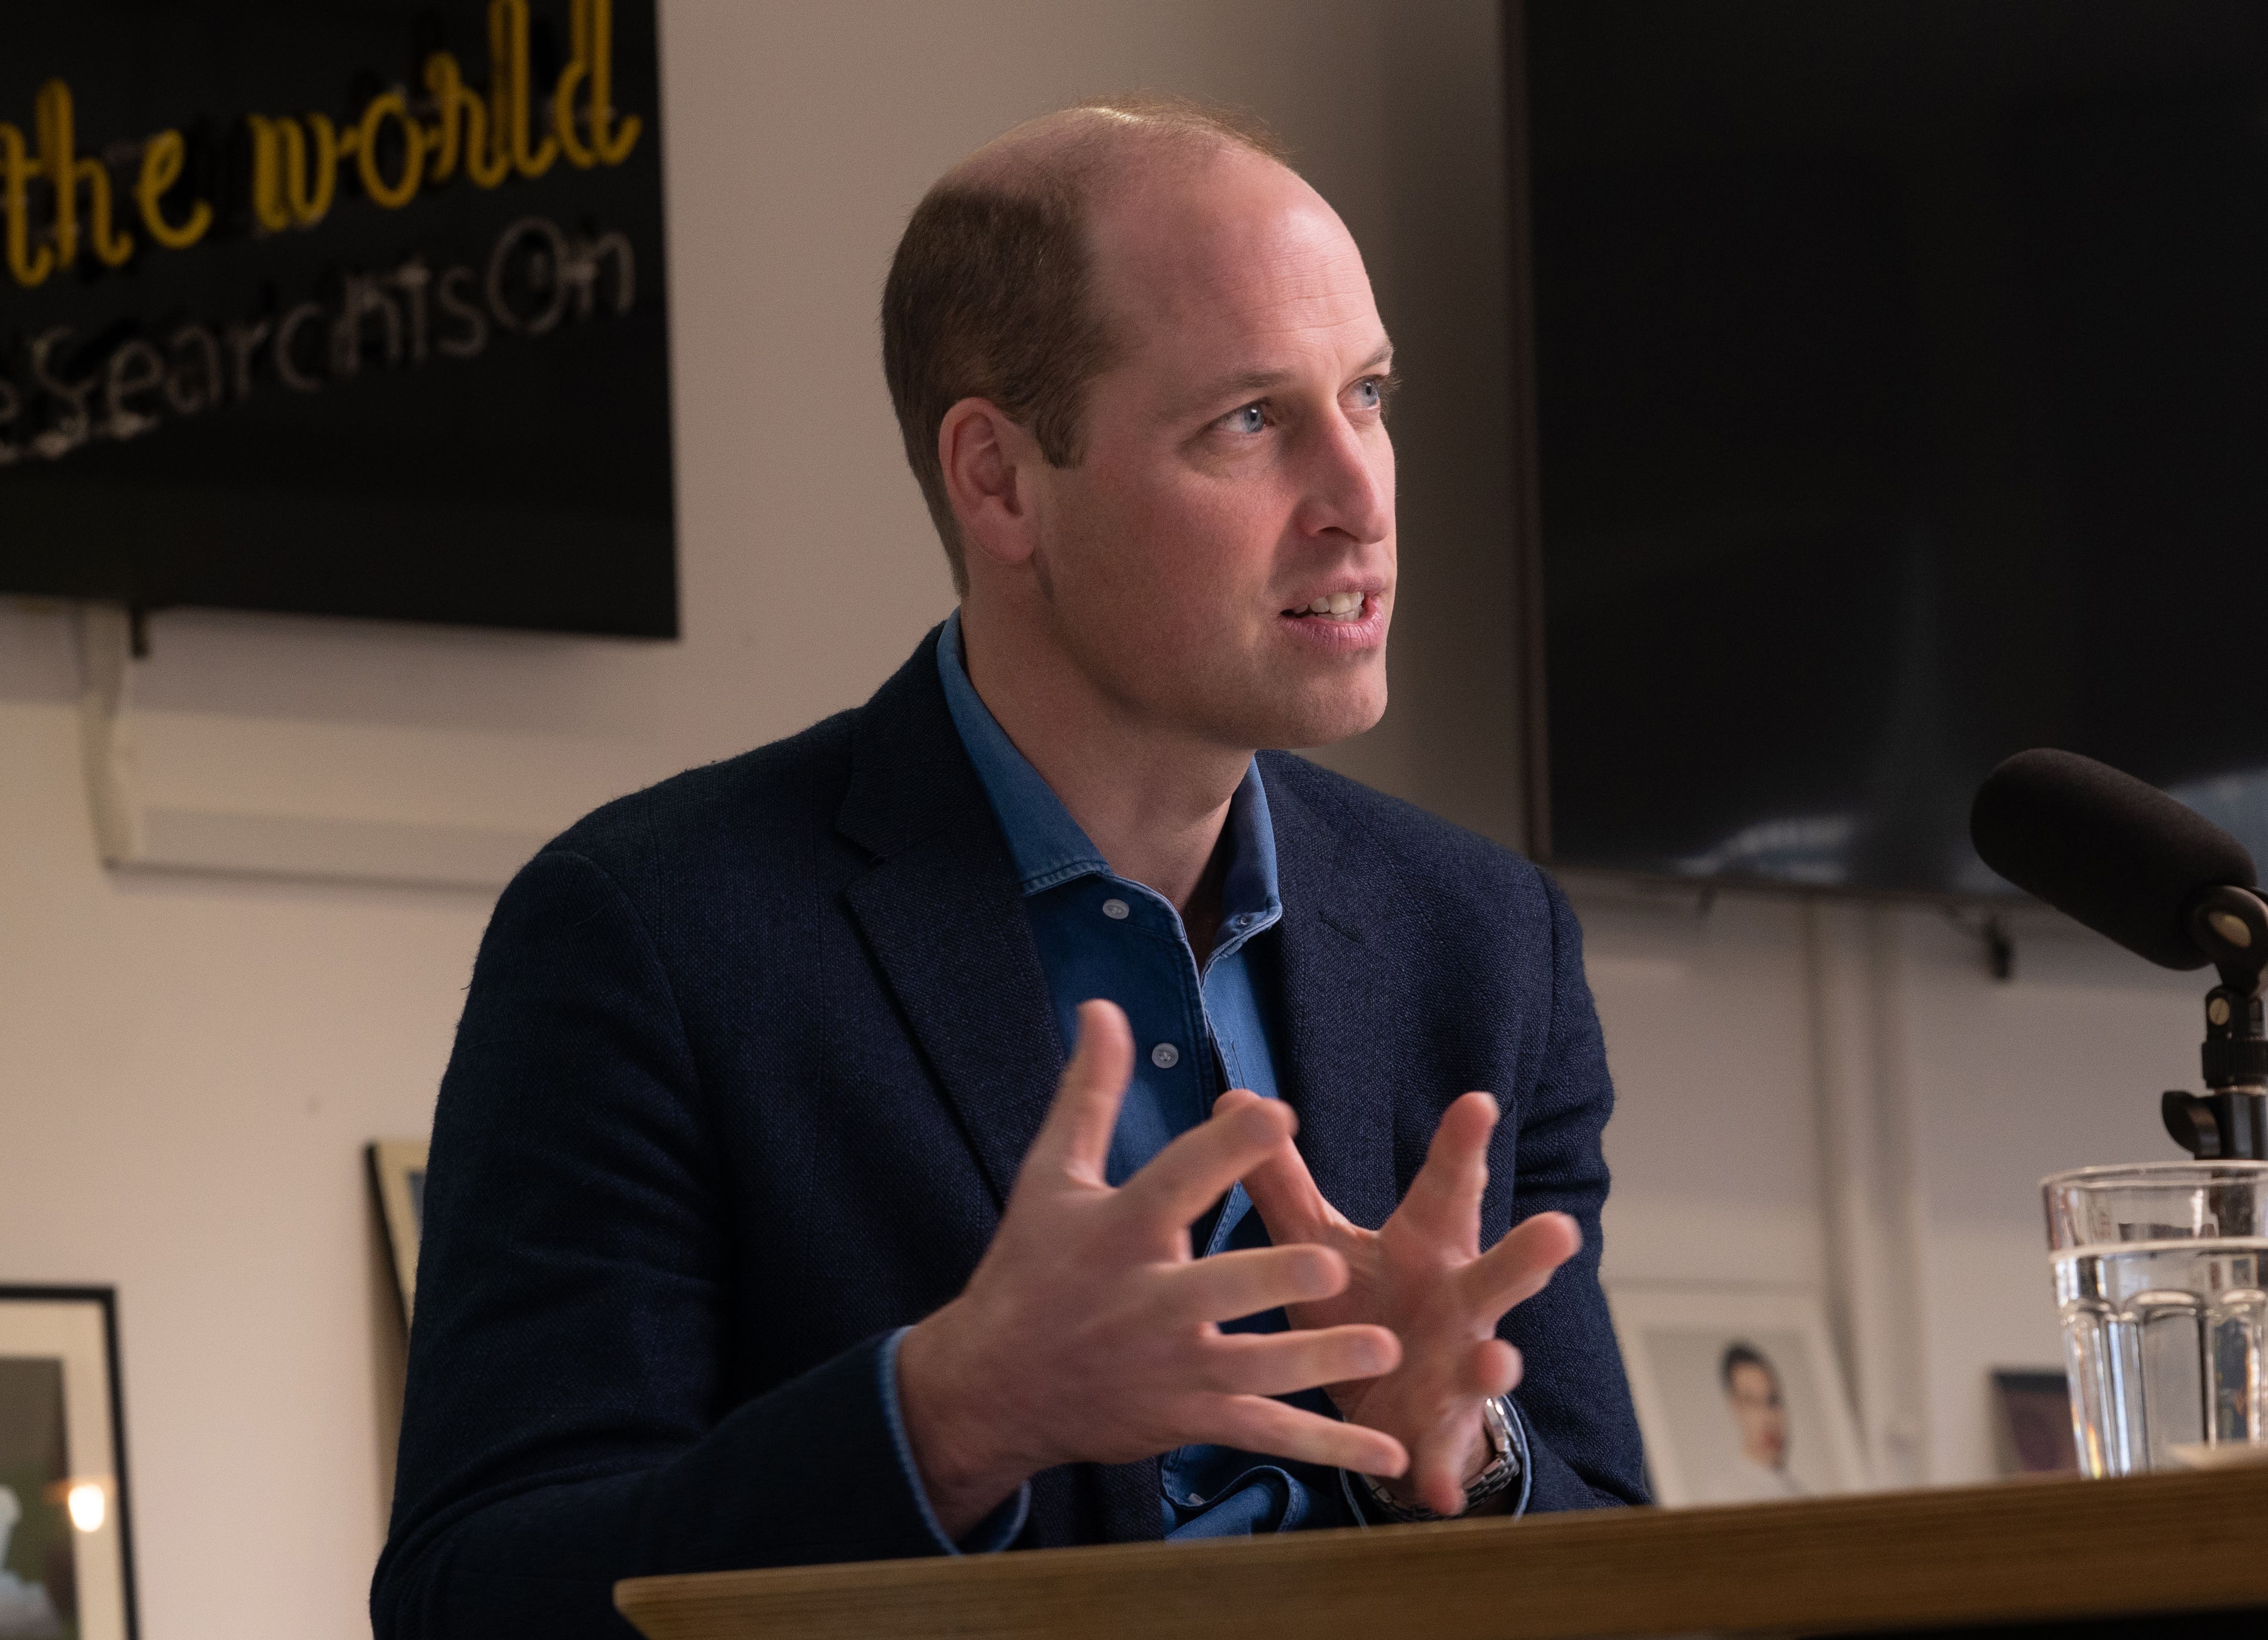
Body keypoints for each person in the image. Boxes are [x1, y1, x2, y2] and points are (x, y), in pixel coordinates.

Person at [371, 95, 1648, 1640]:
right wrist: (943, 1420)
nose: (1361, 495)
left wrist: (1457, 1452)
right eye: (1249, 420)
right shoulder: (648, 935)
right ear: (998, 480)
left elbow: (1632, 1579)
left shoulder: (1485, 940)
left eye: (1367, 395)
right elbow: (475, 1602)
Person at [1714, 1343, 1803, 1501]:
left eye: (1772, 1401)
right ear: (1735, 1408)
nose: (1768, 1419)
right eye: (1753, 1403)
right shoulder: (1727, 1495)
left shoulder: (1794, 1489)